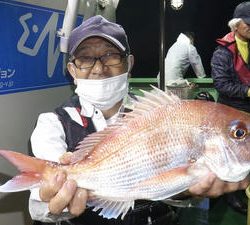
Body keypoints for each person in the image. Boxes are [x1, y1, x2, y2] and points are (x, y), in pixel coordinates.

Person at [29, 15, 249, 225]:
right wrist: (54, 200)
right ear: (72, 70)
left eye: (110, 55)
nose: (98, 68)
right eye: (85, 58)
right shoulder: (52, 123)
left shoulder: (154, 112)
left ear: (129, 64)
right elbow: (37, 207)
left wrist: (187, 191)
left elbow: (173, 185)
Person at [211, 1, 250, 215]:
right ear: (235, 25)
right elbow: (222, 84)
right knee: (232, 155)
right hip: (231, 112)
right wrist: (247, 92)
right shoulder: (222, 52)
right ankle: (231, 194)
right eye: (248, 24)